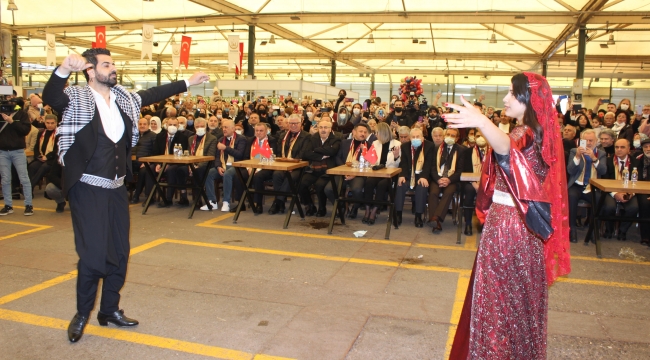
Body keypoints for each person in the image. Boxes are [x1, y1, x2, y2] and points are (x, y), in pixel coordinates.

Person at [42, 49, 209, 343]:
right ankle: (82, 313)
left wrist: (187, 81)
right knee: (93, 256)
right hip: (87, 187)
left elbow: (154, 92)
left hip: (117, 188)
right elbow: (52, 96)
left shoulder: (125, 99)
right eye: (107, 64)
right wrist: (63, 70)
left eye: (114, 63)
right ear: (91, 71)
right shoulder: (76, 98)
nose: (114, 68)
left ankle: (109, 311)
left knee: (120, 253)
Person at [447, 73, 570, 359]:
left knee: (497, 300)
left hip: (508, 225)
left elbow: (507, 151)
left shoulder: (521, 134)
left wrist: (481, 121)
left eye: (512, 94)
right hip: (523, 228)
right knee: (518, 299)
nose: (505, 98)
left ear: (528, 99)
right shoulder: (540, 134)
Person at [566, 129, 606, 243]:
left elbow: (603, 171)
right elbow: (570, 170)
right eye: (585, 140)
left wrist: (594, 158)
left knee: (599, 200)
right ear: (580, 141)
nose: (588, 143)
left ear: (596, 141)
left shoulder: (601, 153)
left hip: (592, 186)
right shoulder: (574, 151)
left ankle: (593, 230)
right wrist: (578, 157)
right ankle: (572, 229)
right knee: (571, 196)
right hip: (577, 184)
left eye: (591, 140)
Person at [201, 119, 246, 212]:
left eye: (226, 127)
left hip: (236, 165)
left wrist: (226, 148)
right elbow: (217, 156)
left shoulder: (241, 139)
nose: (224, 129)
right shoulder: (221, 139)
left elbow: (240, 155)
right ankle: (212, 201)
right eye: (223, 127)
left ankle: (226, 202)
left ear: (233, 128)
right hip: (223, 165)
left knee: (227, 174)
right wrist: (218, 166)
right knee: (208, 173)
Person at [299, 119, 341, 217]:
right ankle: (310, 205)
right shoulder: (313, 138)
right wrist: (321, 156)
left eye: (325, 127)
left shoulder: (336, 139)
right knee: (301, 184)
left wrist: (315, 150)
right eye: (321, 127)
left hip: (327, 171)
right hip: (313, 170)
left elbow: (332, 151)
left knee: (319, 185)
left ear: (330, 129)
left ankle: (322, 208)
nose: (323, 130)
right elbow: (306, 153)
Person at [361, 122, 401, 224]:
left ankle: (374, 210)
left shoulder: (397, 144)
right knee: (369, 183)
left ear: (383, 132)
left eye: (377, 132)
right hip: (377, 172)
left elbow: (398, 164)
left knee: (382, 185)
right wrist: (365, 154)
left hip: (390, 173)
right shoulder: (375, 143)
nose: (375, 135)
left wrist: (396, 157)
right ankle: (367, 209)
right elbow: (370, 160)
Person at [427, 128, 466, 232]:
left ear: (457, 138)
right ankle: (436, 219)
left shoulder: (461, 150)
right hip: (438, 178)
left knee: (448, 192)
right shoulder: (436, 148)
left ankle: (435, 218)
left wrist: (448, 180)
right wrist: (439, 179)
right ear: (444, 135)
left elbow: (460, 170)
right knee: (433, 193)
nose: (449, 137)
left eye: (453, 135)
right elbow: (432, 168)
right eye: (448, 134)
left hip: (452, 179)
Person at [394, 127, 434, 227]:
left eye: (418, 136)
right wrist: (402, 175)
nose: (415, 139)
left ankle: (418, 216)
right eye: (413, 137)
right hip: (408, 175)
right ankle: (398, 214)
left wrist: (424, 176)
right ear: (410, 138)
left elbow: (428, 164)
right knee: (400, 184)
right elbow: (403, 163)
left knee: (422, 187)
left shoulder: (429, 146)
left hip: (422, 175)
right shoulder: (405, 146)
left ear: (422, 137)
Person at [0, 97, 33, 216]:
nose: (7, 105)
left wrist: (12, 122)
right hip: (3, 151)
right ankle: (8, 205)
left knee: (24, 178)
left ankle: (28, 205)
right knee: (5, 179)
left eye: (10, 103)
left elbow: (25, 130)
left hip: (18, 151)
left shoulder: (21, 114)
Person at [601, 139, 639, 241]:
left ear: (628, 149)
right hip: (611, 192)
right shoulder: (608, 161)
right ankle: (608, 230)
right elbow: (604, 179)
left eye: (622, 147)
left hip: (629, 191)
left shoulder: (635, 162)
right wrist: (615, 194)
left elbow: (638, 181)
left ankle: (622, 231)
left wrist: (631, 193)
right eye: (617, 147)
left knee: (633, 208)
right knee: (609, 207)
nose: (619, 150)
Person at [243, 122, 280, 213]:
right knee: (238, 174)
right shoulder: (250, 140)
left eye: (261, 131)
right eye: (257, 131)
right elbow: (246, 157)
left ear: (266, 131)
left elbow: (274, 157)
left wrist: (259, 168)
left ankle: (258, 203)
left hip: (267, 167)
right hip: (251, 166)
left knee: (258, 176)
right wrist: (249, 167)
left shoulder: (273, 140)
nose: (258, 133)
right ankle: (241, 203)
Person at [153, 117, 190, 206]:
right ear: (166, 125)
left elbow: (182, 155)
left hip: (176, 163)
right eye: (170, 125)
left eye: (174, 125)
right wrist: (158, 164)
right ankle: (150, 197)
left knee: (171, 170)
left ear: (178, 126)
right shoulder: (159, 136)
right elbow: (155, 152)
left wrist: (168, 164)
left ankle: (168, 199)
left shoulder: (183, 137)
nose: (172, 126)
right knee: (149, 169)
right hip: (161, 162)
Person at [461, 129, 489, 235]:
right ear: (474, 138)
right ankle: (468, 223)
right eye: (478, 136)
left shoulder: (493, 152)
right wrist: (474, 183)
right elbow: (465, 170)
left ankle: (484, 223)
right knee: (469, 191)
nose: (480, 138)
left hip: (487, 183)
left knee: (490, 193)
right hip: (471, 182)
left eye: (483, 135)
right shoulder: (467, 152)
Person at [187, 117, 218, 205]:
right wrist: (190, 165)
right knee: (177, 169)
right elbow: (188, 154)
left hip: (206, 165)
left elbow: (210, 156)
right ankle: (183, 196)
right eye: (197, 126)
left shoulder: (212, 138)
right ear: (194, 127)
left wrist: (198, 165)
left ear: (206, 126)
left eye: (202, 126)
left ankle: (198, 198)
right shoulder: (191, 139)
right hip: (192, 163)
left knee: (197, 171)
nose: (200, 128)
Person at [28, 114, 58, 189]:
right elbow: (36, 147)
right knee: (32, 167)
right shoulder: (41, 133)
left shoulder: (59, 134)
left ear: (56, 123)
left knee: (43, 167)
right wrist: (39, 156)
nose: (50, 125)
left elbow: (58, 150)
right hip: (41, 158)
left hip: (53, 160)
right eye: (48, 123)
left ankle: (29, 188)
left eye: (52, 123)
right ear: (45, 123)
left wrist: (47, 157)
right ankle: (29, 189)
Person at [636, 138, 650, 246]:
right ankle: (645, 236)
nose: (648, 149)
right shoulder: (638, 159)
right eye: (645, 147)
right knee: (645, 203)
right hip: (641, 189)